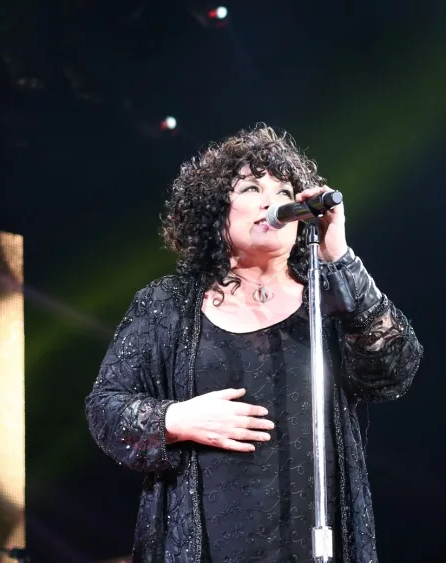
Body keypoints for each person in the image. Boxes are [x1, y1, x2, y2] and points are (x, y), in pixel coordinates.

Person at [85, 124, 422, 562]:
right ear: (214, 211)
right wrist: (176, 418)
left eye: (284, 189)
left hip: (314, 539)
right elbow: (105, 408)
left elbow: (394, 369)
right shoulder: (165, 304)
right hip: (208, 542)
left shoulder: (329, 298)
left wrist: (339, 256)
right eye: (251, 187)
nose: (272, 200)